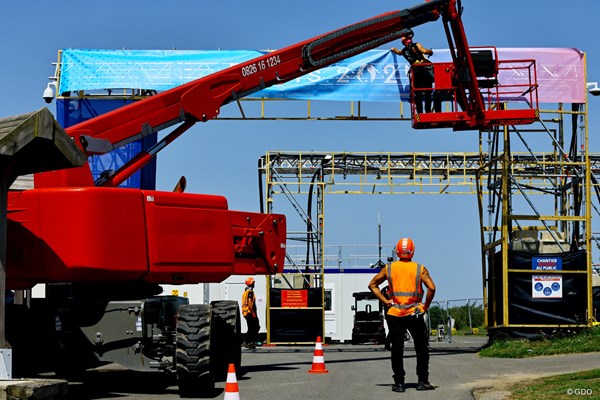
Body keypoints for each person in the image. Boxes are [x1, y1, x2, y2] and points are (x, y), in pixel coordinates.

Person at [368, 237, 437, 393]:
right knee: (421, 347)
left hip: (395, 313)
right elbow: (432, 288)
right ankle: (422, 381)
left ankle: (399, 383)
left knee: (397, 349)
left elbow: (372, 285)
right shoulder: (420, 268)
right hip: (415, 313)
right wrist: (425, 306)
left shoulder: (389, 268)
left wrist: (386, 301)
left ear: (398, 251)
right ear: (413, 251)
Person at [391, 34, 440, 113]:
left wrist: (393, 49)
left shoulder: (404, 51)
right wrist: (431, 51)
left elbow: (398, 52)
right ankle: (428, 111)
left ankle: (420, 112)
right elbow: (424, 51)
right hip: (425, 71)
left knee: (418, 93)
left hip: (416, 73)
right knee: (428, 91)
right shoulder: (416, 45)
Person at [242, 276, 260, 349]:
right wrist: (253, 313)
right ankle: (249, 341)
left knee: (252, 327)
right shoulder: (250, 292)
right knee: (253, 328)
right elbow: (249, 302)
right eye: (253, 282)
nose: (254, 284)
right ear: (251, 283)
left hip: (246, 312)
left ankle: (249, 341)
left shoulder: (246, 291)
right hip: (249, 312)